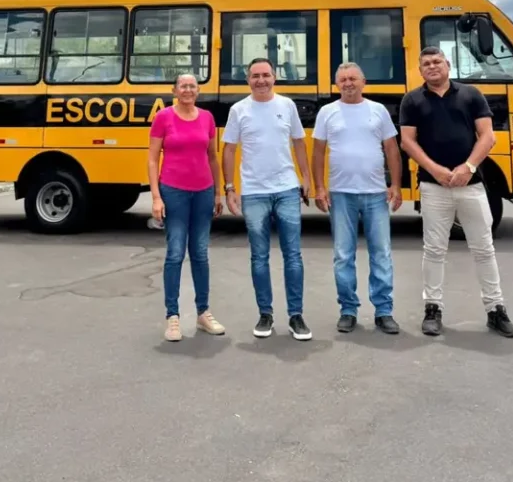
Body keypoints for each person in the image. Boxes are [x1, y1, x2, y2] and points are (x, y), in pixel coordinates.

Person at [399, 46, 513, 338]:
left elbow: (487, 136)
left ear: (447, 65)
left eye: (436, 61)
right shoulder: (412, 100)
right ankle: (433, 308)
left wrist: (467, 167)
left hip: (471, 185)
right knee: (434, 250)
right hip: (432, 185)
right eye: (426, 63)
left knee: (483, 249)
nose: (432, 66)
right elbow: (408, 142)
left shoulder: (471, 95)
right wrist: (436, 170)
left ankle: (496, 310)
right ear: (420, 69)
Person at [222, 57, 313, 341]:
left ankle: (296, 316)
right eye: (255, 76)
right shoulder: (239, 110)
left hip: (286, 188)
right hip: (254, 191)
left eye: (266, 75)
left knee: (293, 256)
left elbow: (299, 142)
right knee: (259, 257)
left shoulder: (286, 106)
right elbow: (228, 150)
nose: (261, 80)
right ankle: (265, 314)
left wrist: (306, 178)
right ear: (248, 80)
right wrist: (229, 188)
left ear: (275, 77)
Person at [313, 62, 403, 335]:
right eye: (343, 80)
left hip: (375, 193)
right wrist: (319, 187)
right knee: (343, 255)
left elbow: (392, 149)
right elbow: (318, 152)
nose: (348, 83)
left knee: (381, 254)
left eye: (353, 79)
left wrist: (396, 185)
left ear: (363, 82)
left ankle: (384, 311)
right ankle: (348, 310)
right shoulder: (327, 112)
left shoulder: (378, 111)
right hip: (341, 194)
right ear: (336, 84)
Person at [148, 73, 225, 342]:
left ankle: (203, 313)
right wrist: (156, 197)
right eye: (183, 86)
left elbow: (212, 157)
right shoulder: (163, 118)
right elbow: (152, 159)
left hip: (203, 192)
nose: (188, 90)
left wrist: (218, 192)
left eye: (192, 86)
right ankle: (173, 317)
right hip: (174, 192)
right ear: (175, 90)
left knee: (200, 253)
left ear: (198, 90)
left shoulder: (207, 118)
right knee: (175, 253)